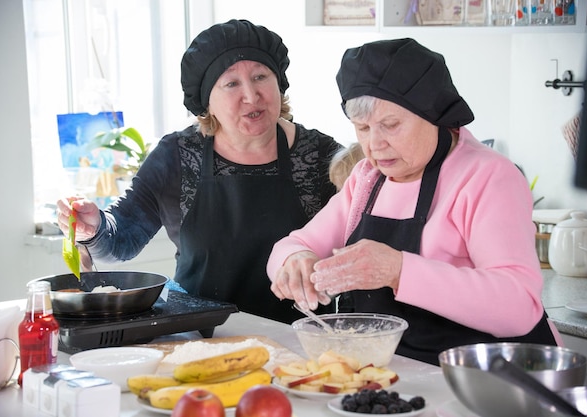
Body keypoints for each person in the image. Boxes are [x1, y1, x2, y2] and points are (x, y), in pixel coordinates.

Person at [267, 38, 561, 365]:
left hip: (487, 380)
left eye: (390, 125)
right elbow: (293, 244)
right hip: (399, 375)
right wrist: (295, 261)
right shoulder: (368, 179)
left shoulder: (489, 177)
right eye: (362, 128)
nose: (375, 144)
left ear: (432, 113)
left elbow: (518, 307)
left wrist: (397, 270)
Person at [57, 19, 343, 324]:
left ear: (279, 83)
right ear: (208, 101)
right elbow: (122, 239)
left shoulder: (323, 156)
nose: (251, 94)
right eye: (231, 83)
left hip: (300, 341)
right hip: (201, 337)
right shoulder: (177, 155)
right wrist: (95, 227)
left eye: (261, 76)